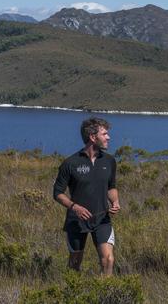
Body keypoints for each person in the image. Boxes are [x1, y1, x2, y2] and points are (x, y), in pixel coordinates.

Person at [53, 117, 121, 275]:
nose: (108, 137)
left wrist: (115, 201)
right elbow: (57, 193)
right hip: (77, 221)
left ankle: (106, 296)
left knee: (108, 260)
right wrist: (74, 207)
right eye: (104, 134)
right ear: (92, 137)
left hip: (102, 219)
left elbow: (111, 187)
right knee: (75, 264)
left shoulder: (109, 161)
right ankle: (73, 294)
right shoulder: (70, 163)